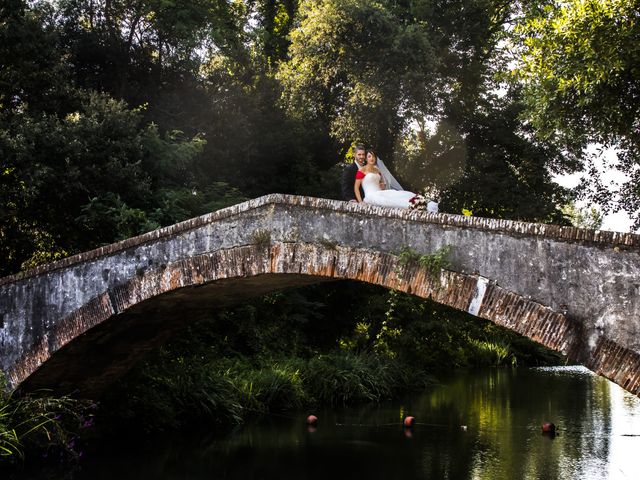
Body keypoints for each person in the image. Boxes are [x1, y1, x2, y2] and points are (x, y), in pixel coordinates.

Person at [355, 150, 438, 212]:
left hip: (380, 192)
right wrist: (360, 202)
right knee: (391, 202)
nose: (372, 158)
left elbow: (381, 183)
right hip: (370, 196)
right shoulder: (362, 170)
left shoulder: (377, 170)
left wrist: (382, 185)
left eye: (373, 156)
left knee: (398, 194)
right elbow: (356, 188)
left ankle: (422, 203)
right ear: (366, 158)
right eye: (369, 156)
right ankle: (414, 206)